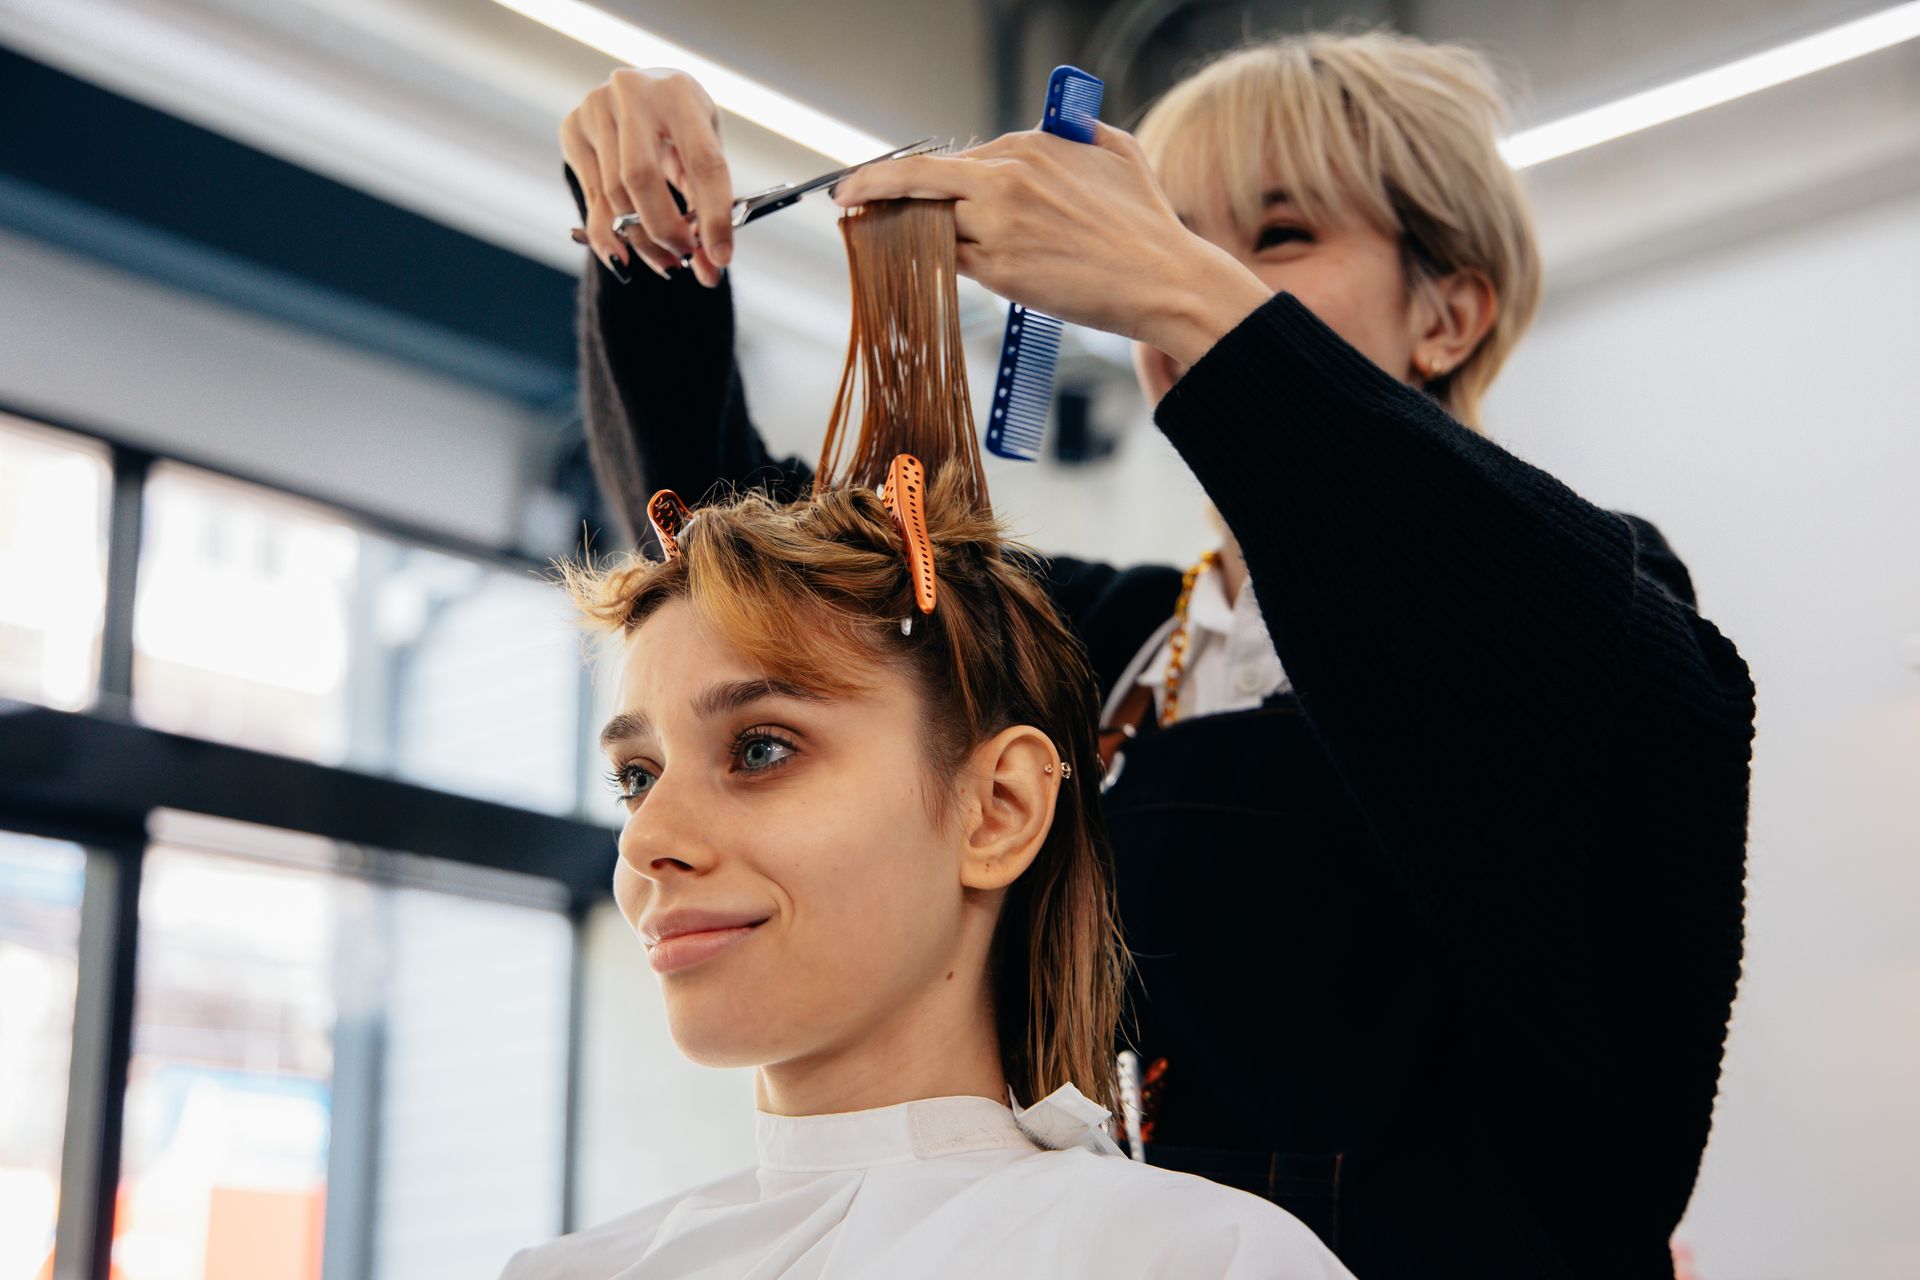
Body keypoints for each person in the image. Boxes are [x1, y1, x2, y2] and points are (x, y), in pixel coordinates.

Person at [560, 30, 1757, 1278]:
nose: (1182, 270)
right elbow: (745, 602)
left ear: (1449, 314)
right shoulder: (1111, 648)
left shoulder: (1588, 620)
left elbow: (1543, 663)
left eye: (1277, 235)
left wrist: (1184, 286)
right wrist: (649, 245)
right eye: (1176, 228)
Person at [500, 197, 1352, 1279]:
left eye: (761, 747)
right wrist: (646, 232)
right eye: (635, 774)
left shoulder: (1205, 1258)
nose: (645, 839)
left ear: (997, 809)